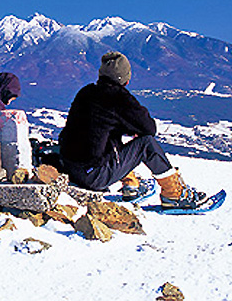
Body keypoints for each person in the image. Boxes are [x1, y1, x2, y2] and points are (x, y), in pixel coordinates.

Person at [58, 51, 207, 209]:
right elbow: (149, 128)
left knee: (106, 136)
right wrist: (130, 128)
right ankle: (174, 194)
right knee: (145, 144)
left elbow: (98, 125)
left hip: (71, 168)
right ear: (125, 79)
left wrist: (121, 127)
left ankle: (132, 185)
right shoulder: (118, 98)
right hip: (94, 176)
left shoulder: (86, 93)